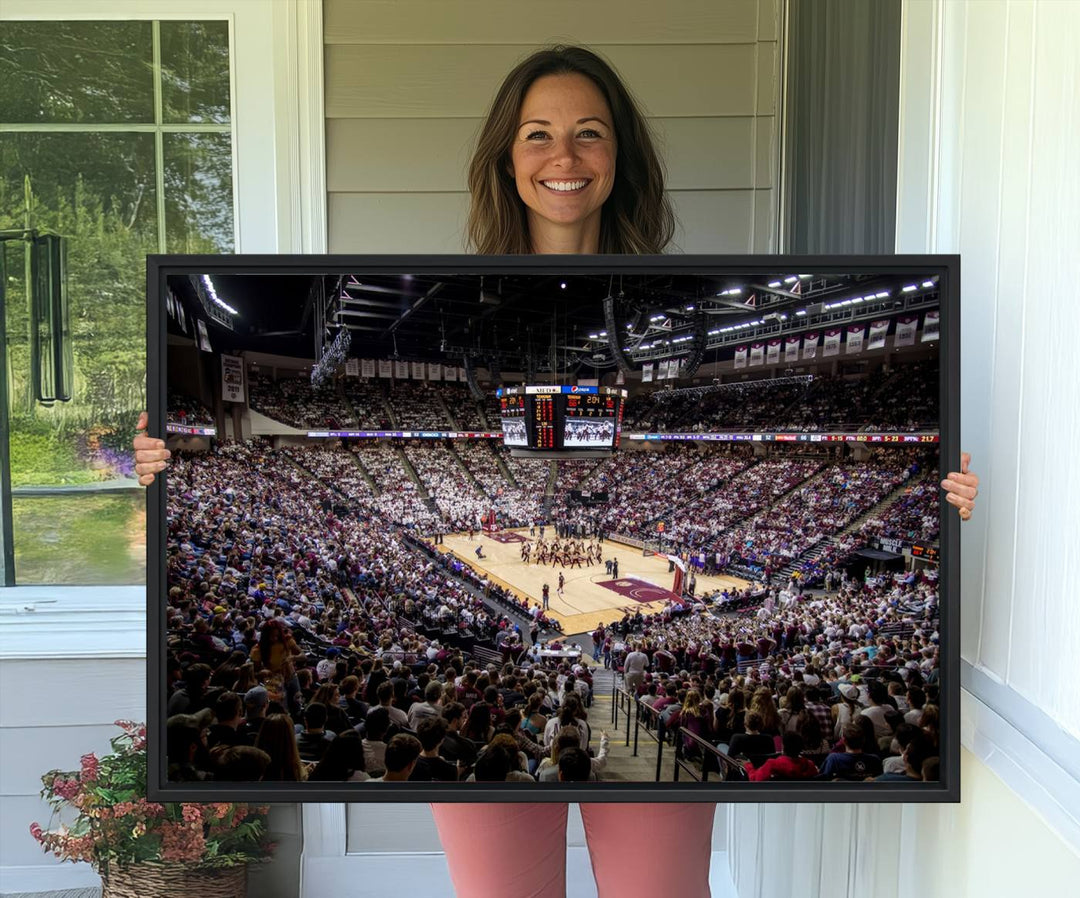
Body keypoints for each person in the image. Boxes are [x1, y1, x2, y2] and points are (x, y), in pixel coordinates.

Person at [134, 43, 981, 898]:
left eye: (590, 133)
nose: (564, 156)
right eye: (537, 134)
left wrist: (947, 496)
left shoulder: (683, 294)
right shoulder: (434, 278)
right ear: (506, 158)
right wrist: (164, 472)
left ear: (622, 158)